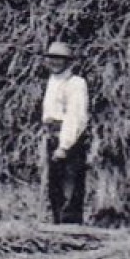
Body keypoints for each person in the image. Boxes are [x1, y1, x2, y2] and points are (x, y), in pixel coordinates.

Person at [39, 40, 90, 225]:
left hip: (68, 137)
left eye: (60, 59)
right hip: (51, 136)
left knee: (71, 185)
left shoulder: (76, 83)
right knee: (55, 186)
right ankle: (57, 227)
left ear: (69, 61)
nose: (54, 62)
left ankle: (71, 229)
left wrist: (64, 145)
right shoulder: (52, 82)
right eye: (51, 58)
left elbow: (75, 116)